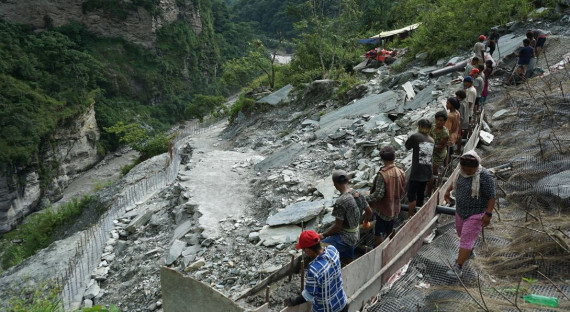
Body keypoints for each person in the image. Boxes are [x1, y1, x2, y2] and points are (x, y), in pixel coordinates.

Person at [444, 151, 496, 277]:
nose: (467, 171)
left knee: (466, 239)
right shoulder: (460, 172)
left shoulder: (485, 176)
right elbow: (455, 181)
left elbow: (491, 197)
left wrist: (488, 214)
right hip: (460, 210)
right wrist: (447, 191)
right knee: (461, 233)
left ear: (476, 167)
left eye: (470, 170)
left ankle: (458, 267)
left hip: (476, 213)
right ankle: (469, 251)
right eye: (464, 169)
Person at [284, 230, 348, 312]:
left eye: (304, 249)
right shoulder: (333, 250)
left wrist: (293, 301)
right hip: (342, 303)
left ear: (308, 250)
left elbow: (309, 295)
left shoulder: (314, 270)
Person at [319, 170, 372, 264]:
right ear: (348, 180)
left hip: (345, 237)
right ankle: (350, 263)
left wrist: (322, 235)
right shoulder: (357, 194)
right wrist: (365, 222)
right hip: (356, 233)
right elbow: (369, 212)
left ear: (335, 184)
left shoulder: (341, 201)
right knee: (348, 245)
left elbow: (337, 227)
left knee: (320, 248)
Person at [367, 146, 406, 246]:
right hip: (395, 208)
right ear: (394, 157)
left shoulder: (383, 175)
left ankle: (379, 252)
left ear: (382, 159)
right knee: (390, 229)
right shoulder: (400, 172)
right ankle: (392, 246)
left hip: (383, 211)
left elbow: (378, 195)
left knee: (378, 234)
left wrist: (365, 198)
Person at [404, 119, 434, 218]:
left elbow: (407, 146)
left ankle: (409, 217)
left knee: (411, 195)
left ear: (420, 126)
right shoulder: (431, 140)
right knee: (421, 195)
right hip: (427, 172)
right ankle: (419, 215)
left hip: (416, 172)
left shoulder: (415, 136)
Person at [427, 111, 449, 195]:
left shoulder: (445, 133)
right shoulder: (432, 127)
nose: (439, 122)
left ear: (444, 121)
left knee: (434, 169)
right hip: (431, 150)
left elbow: (441, 146)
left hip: (438, 153)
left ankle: (434, 183)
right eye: (437, 120)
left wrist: (430, 145)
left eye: (441, 120)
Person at [455, 90, 468, 155]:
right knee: (460, 136)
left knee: (459, 136)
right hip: (466, 121)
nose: (456, 97)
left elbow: (461, 116)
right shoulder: (465, 101)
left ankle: (458, 150)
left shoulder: (461, 104)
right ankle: (458, 149)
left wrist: (458, 124)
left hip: (461, 123)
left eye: (457, 96)